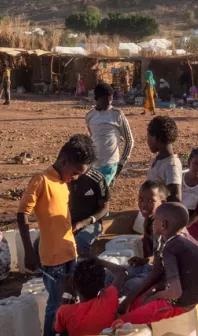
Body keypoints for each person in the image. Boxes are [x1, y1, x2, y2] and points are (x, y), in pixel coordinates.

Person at [17, 134, 96, 336]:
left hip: (70, 252)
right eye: (76, 172)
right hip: (53, 258)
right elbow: (22, 213)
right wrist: (29, 251)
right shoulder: (41, 180)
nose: (76, 177)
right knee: (55, 302)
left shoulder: (63, 183)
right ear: (64, 161)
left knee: (69, 298)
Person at [118, 203, 198, 325]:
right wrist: (154, 290)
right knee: (136, 305)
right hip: (188, 296)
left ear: (163, 225)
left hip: (181, 303)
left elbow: (175, 293)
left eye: (155, 221)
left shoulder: (170, 248)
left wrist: (155, 297)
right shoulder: (186, 239)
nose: (153, 224)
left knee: (121, 323)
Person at [55, 258, 126, 336]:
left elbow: (56, 328)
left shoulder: (64, 311)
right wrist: (99, 261)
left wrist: (66, 296)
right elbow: (121, 273)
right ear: (102, 284)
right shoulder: (109, 299)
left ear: (73, 285)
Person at [123, 180, 169, 297]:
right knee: (115, 275)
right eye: (141, 199)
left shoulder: (162, 226)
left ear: (163, 203)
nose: (143, 204)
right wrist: (142, 260)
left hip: (165, 274)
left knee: (130, 285)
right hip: (151, 266)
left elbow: (163, 257)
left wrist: (145, 261)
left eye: (150, 201)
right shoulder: (150, 219)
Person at [86, 83, 134, 186]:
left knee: (101, 191)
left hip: (110, 164)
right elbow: (92, 137)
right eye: (105, 100)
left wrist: (122, 163)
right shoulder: (90, 116)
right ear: (97, 99)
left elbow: (129, 140)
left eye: (111, 99)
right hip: (93, 165)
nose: (109, 103)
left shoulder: (117, 115)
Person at [69, 168, 110, 257]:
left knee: (79, 243)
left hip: (91, 223)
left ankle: (83, 264)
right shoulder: (61, 177)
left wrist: (83, 223)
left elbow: (104, 208)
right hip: (67, 221)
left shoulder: (96, 178)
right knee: (42, 241)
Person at [146, 116, 182, 203]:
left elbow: (176, 197)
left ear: (154, 138)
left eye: (148, 137)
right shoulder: (160, 159)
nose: (147, 141)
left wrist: (157, 203)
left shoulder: (172, 165)